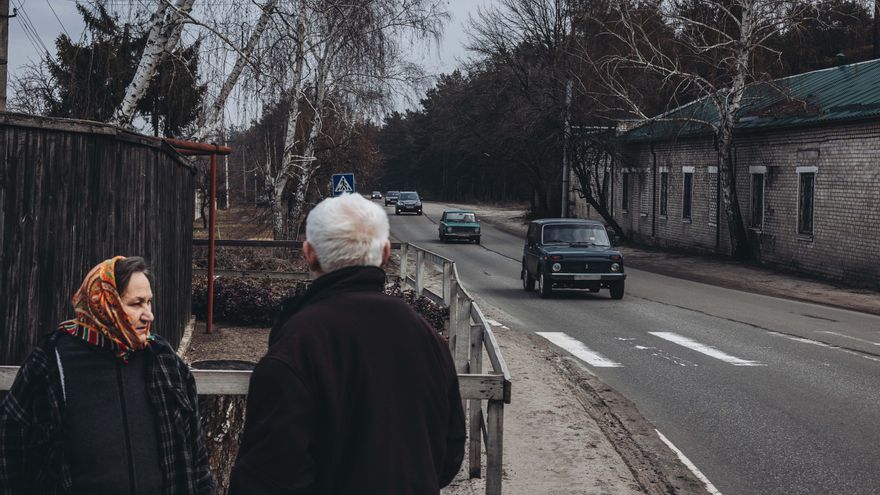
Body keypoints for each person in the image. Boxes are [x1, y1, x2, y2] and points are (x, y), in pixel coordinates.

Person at [229, 193, 466, 495]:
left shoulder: (296, 345)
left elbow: (267, 475)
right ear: (385, 253)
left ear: (309, 254)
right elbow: (449, 452)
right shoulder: (427, 336)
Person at [0, 256, 214, 495]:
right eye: (136, 304)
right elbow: (11, 446)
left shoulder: (163, 359)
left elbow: (196, 455)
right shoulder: (53, 361)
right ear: (103, 303)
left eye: (149, 302)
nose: (148, 315)